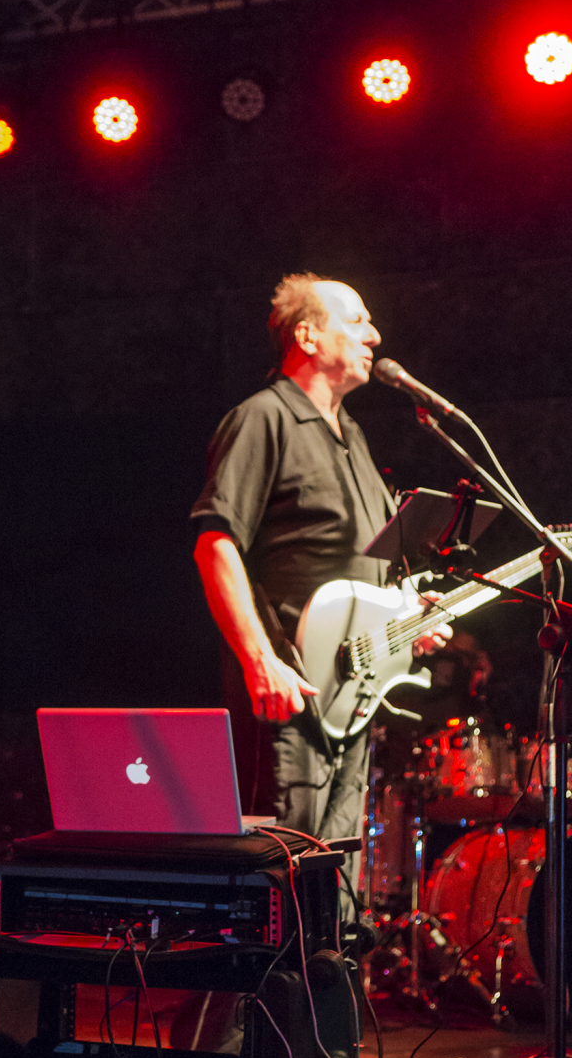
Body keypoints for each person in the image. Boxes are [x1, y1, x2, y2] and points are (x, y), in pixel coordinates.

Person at [191, 272, 450, 861]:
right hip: (289, 695)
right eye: (356, 321)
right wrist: (260, 661)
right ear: (307, 337)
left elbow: (366, 568)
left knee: (334, 878)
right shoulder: (264, 418)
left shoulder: (351, 435)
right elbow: (215, 545)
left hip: (350, 700)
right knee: (281, 875)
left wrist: (409, 616)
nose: (374, 336)